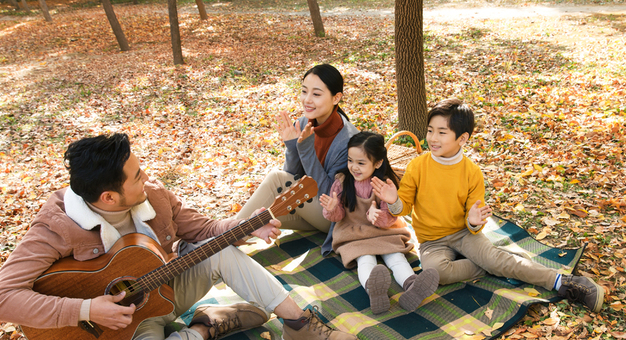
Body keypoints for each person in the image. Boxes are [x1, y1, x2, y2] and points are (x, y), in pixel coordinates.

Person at [0, 133, 362, 340]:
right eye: (136, 176)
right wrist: (88, 308)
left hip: (167, 291)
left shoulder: (154, 196)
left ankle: (297, 323)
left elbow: (204, 231)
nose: (146, 177)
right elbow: (3, 296)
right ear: (108, 196)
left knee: (219, 250)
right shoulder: (56, 227)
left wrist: (247, 226)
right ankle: (207, 328)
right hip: (107, 330)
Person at [371, 99, 604, 312]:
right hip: (432, 240)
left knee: (498, 259)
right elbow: (405, 208)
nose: (432, 138)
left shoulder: (471, 172)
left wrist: (472, 222)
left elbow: (475, 224)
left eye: (442, 132)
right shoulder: (417, 166)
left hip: (463, 234)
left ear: (462, 138)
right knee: (437, 273)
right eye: (430, 130)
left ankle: (563, 282)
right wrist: (394, 201)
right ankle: (486, 265)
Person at [237, 64, 359, 256]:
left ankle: (223, 235)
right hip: (309, 209)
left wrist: (305, 150)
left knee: (276, 179)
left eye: (316, 94)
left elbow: (328, 194)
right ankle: (225, 239)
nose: (307, 100)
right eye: (304, 91)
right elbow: (292, 177)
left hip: (335, 217)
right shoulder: (304, 123)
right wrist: (293, 148)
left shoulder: (349, 141)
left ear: (336, 98)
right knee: (259, 216)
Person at [320, 132, 439, 314]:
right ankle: (373, 289)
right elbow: (338, 217)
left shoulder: (385, 185)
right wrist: (333, 208)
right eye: (350, 160)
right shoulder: (342, 182)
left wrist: (379, 216)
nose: (354, 167)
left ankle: (413, 286)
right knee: (365, 259)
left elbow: (390, 217)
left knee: (396, 257)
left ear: (377, 163)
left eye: (361, 163)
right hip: (354, 234)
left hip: (384, 232)